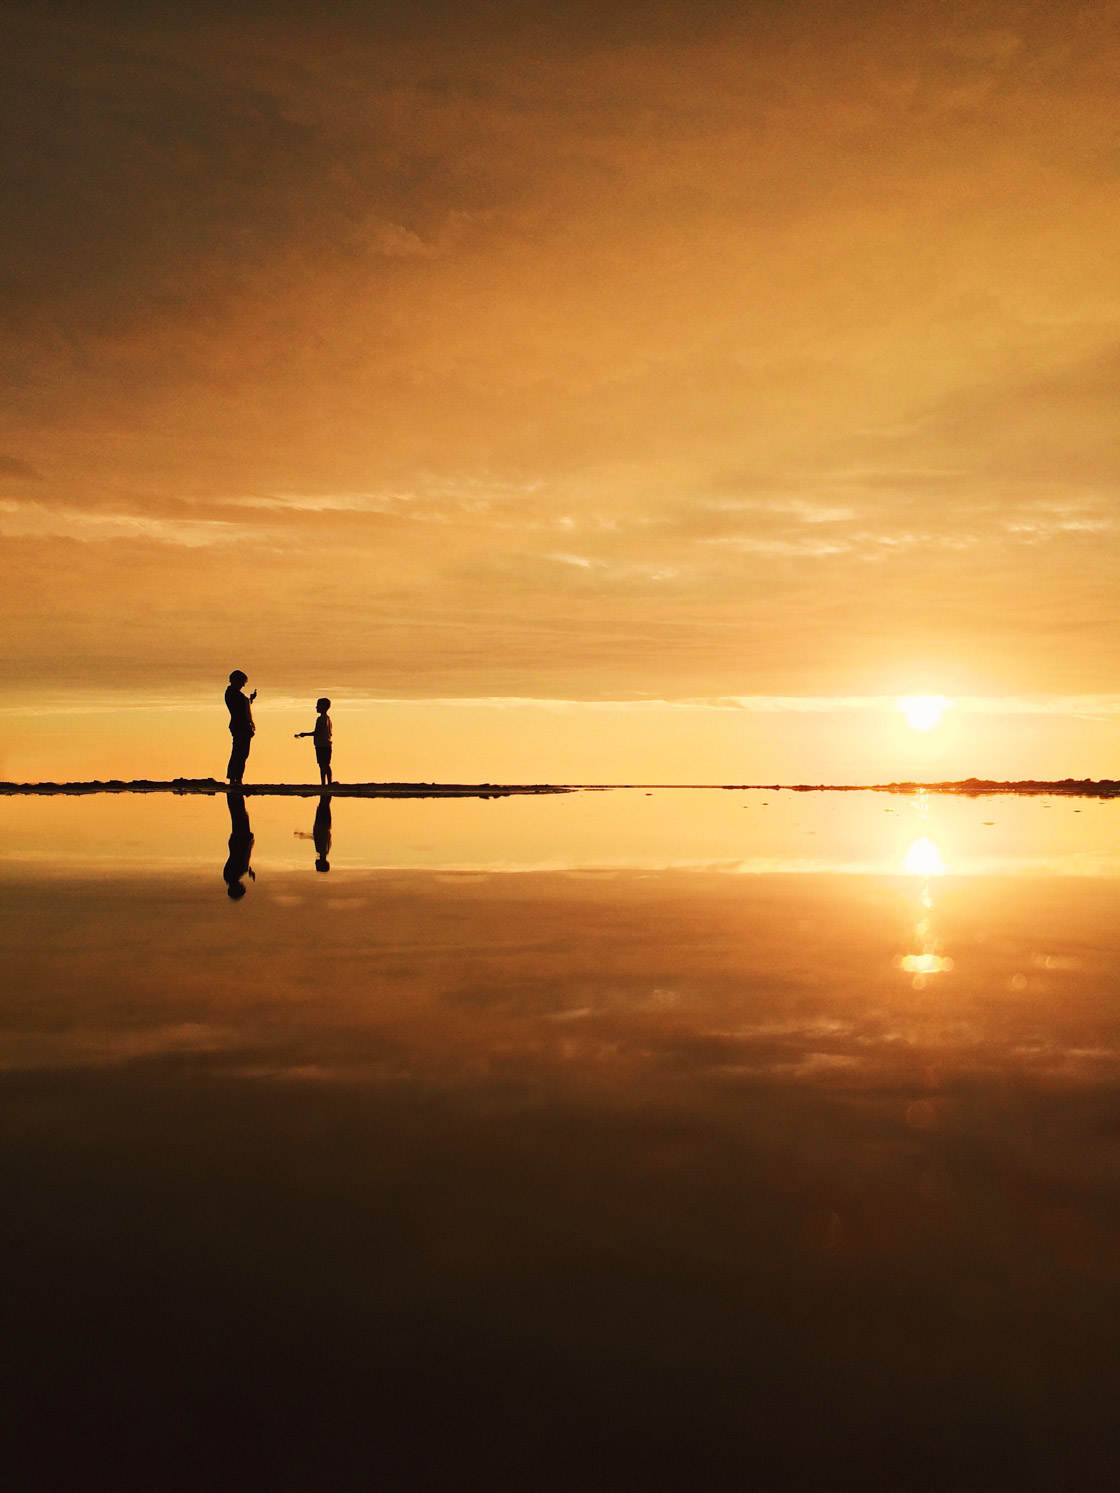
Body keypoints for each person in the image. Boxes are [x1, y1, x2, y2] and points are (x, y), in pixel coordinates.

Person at [225, 670, 256, 785]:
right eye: (242, 682)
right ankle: (235, 778)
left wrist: (250, 700)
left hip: (239, 725)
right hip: (240, 726)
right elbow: (241, 710)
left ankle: (236, 777)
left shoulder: (233, 693)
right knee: (240, 753)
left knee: (241, 753)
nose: (243, 685)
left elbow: (243, 707)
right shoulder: (233, 694)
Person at [222, 791, 255, 899]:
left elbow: (241, 857)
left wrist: (249, 842)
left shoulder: (233, 875)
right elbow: (241, 861)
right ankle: (234, 794)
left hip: (240, 840)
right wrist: (248, 871)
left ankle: (234, 794)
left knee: (240, 816)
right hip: (237, 840)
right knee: (239, 816)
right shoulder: (230, 876)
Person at [294, 697, 332, 786]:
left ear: (323, 707)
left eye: (318, 706)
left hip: (322, 745)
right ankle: (326, 783)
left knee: (324, 765)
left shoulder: (321, 719)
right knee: (324, 764)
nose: (316, 707)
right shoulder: (327, 718)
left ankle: (325, 784)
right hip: (325, 744)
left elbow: (317, 732)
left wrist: (305, 734)